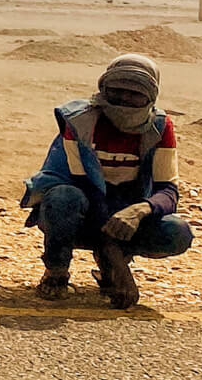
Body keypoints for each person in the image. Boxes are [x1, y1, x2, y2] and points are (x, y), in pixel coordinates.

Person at [22, 52, 191, 310]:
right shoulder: (81, 123)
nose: (124, 100)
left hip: (125, 217)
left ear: (151, 97)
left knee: (176, 232)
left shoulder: (160, 128)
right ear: (103, 88)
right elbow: (83, 186)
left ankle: (110, 261)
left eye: (135, 94)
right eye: (116, 91)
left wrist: (140, 210)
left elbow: (167, 191)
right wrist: (116, 259)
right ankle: (57, 271)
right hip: (76, 215)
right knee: (64, 197)